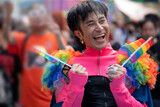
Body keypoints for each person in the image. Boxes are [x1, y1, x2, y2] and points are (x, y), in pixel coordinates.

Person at [51, 1, 153, 107]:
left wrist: (119, 89)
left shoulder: (131, 62)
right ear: (79, 34)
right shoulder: (68, 67)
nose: (100, 28)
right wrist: (76, 87)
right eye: (90, 24)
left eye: (102, 21)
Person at [3, 2, 67, 107]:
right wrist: (8, 16)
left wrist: (58, 35)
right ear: (29, 18)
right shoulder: (24, 39)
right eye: (33, 13)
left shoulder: (56, 37)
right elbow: (7, 38)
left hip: (50, 102)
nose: (37, 15)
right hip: (28, 102)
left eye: (41, 12)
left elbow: (67, 59)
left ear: (47, 15)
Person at [139, 19, 160, 107]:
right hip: (143, 92)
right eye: (145, 29)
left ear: (155, 30)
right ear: (141, 31)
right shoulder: (137, 47)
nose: (148, 32)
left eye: (151, 29)